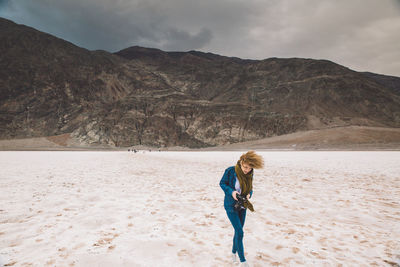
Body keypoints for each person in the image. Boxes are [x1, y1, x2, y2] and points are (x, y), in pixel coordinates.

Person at [219, 151, 264, 267]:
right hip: (230, 206)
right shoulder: (230, 170)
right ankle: (243, 260)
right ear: (241, 162)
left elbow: (250, 188)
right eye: (245, 167)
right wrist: (232, 192)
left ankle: (233, 253)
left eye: (250, 168)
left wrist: (249, 194)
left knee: (238, 232)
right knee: (240, 232)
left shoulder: (250, 173)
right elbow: (222, 183)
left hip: (243, 205)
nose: (247, 170)